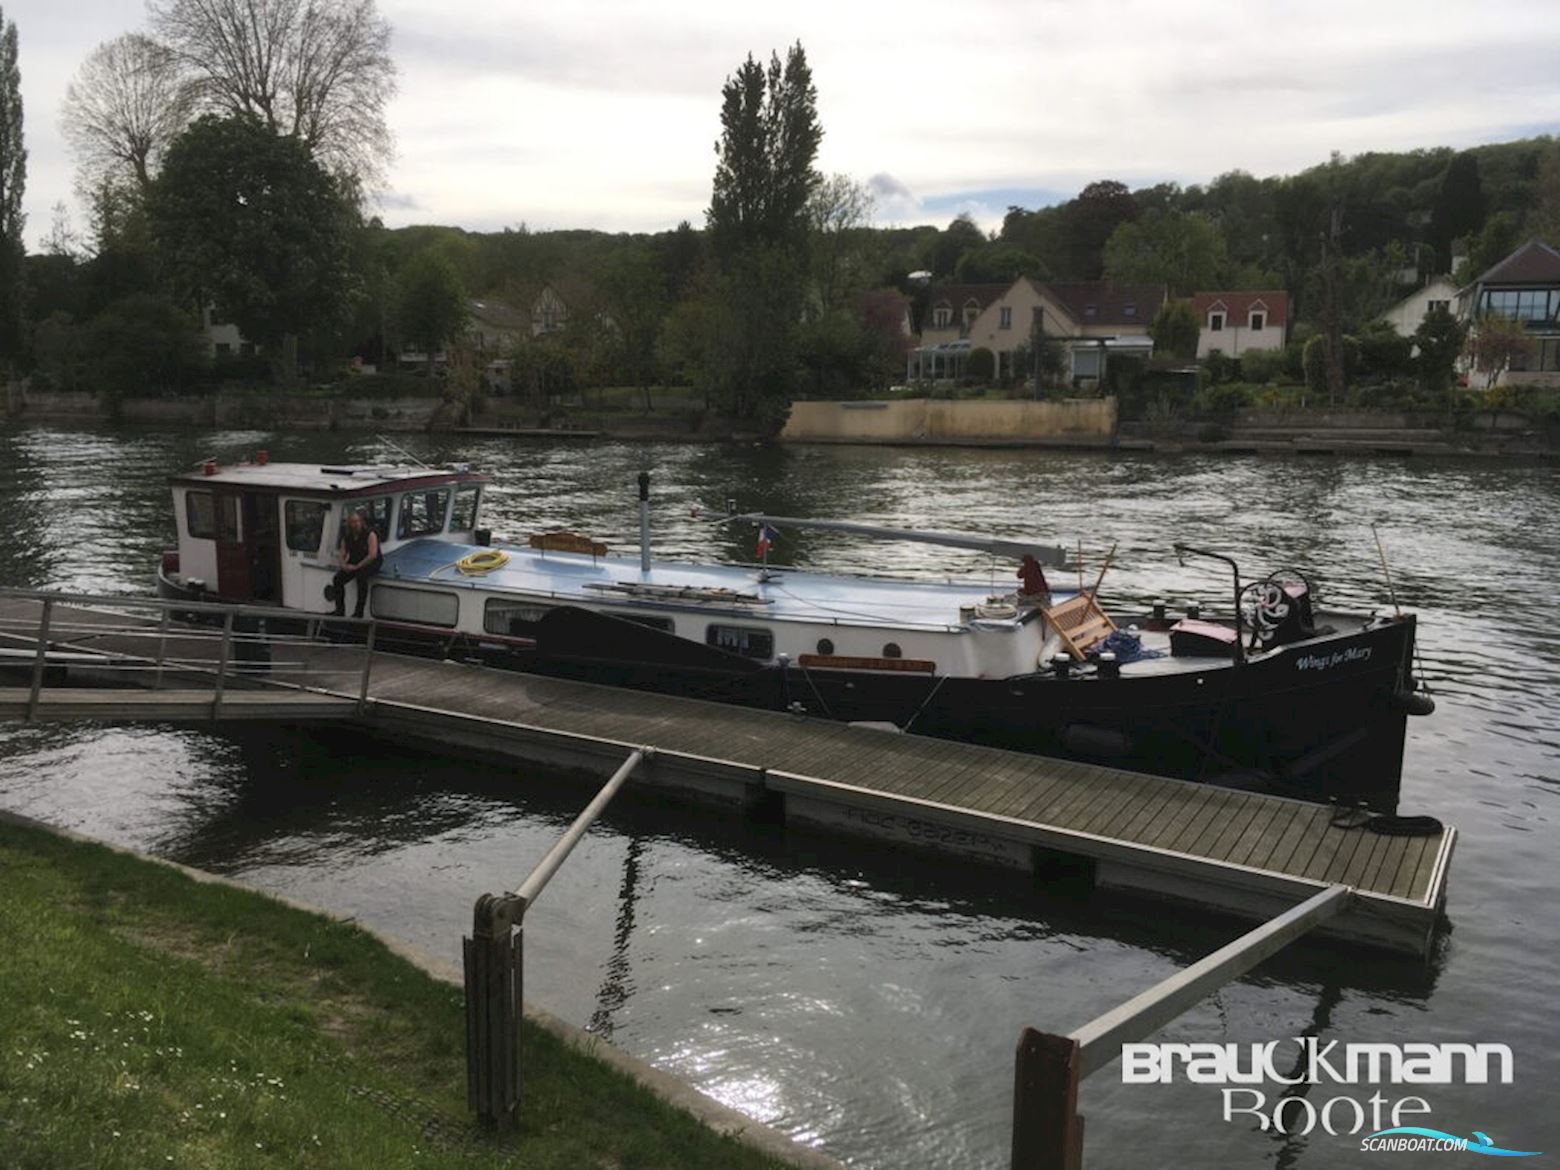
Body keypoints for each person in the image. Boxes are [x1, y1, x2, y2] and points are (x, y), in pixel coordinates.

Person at [332, 509, 382, 618]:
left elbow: (372, 555)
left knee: (361, 576)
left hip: (371, 562)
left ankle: (359, 612)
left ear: (361, 522)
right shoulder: (347, 536)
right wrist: (343, 565)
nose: (355, 524)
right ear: (349, 523)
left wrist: (357, 567)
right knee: (337, 579)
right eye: (353, 522)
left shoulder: (370, 534)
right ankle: (339, 610)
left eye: (357, 521)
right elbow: (342, 553)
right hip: (355, 560)